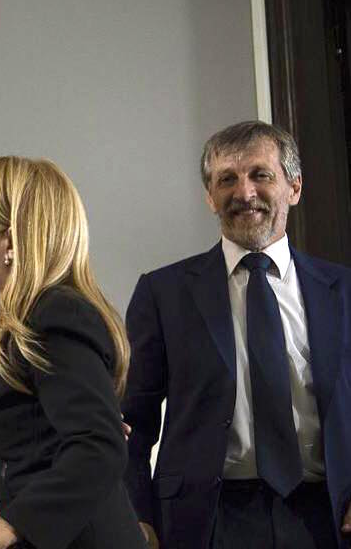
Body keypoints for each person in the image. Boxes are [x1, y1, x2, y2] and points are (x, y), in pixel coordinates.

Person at [122, 121, 351, 548]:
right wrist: (139, 518)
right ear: (210, 197)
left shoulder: (342, 291)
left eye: (260, 175)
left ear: (294, 188)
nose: (244, 193)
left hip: (327, 517)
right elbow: (130, 424)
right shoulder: (163, 293)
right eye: (226, 179)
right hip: (206, 522)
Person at [0, 156, 147, 549]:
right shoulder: (20, 328)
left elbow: (100, 445)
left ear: (10, 239)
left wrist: (11, 525)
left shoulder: (56, 315)